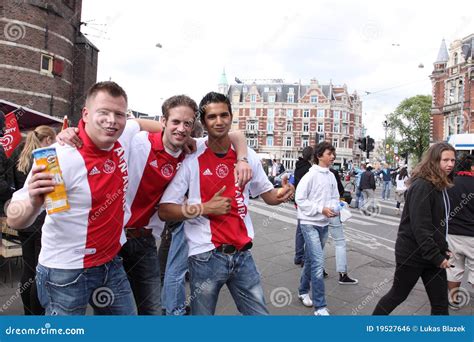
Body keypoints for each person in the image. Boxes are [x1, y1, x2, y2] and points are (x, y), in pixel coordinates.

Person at [57, 95, 251, 315]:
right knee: (108, 311)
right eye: (175, 122)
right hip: (113, 239)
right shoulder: (138, 141)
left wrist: (242, 159)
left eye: (187, 124)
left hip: (145, 240)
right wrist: (72, 131)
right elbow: (111, 127)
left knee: (151, 310)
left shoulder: (191, 149)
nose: (181, 128)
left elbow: (235, 134)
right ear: (163, 121)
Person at [7, 81, 163, 316]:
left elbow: (140, 123)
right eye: (104, 113)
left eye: (119, 114)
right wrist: (32, 202)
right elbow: (14, 219)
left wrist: (183, 137)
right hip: (66, 271)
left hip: (110, 263)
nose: (112, 120)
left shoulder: (122, 136)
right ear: (86, 114)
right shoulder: (59, 157)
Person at [158, 92, 294, 315]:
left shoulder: (247, 155)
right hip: (206, 257)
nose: (219, 121)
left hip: (243, 254)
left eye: (224, 115)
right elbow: (165, 210)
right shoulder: (191, 156)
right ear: (203, 122)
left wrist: (284, 192)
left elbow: (269, 195)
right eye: (212, 117)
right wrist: (204, 208)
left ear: (231, 117)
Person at [373, 142, 456, 315]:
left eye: (453, 160)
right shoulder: (422, 186)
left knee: (440, 304)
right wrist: (437, 256)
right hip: (412, 255)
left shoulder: (439, 185)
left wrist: (443, 249)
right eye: (445, 160)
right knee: (398, 295)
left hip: (432, 255)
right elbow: (421, 227)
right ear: (434, 161)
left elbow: (437, 224)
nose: (450, 164)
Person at [9, 126, 56, 315]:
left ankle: (28, 314)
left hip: (23, 219)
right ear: (47, 139)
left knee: (28, 271)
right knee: (39, 274)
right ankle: (36, 318)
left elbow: (11, 186)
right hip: (39, 220)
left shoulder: (20, 155)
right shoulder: (43, 160)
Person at [295, 141, 340, 316]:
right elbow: (300, 198)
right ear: (319, 156)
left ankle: (302, 290)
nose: (333, 156)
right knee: (318, 262)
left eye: (333, 153)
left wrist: (336, 208)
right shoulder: (310, 175)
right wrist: (320, 209)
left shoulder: (331, 176)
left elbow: (335, 197)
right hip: (309, 223)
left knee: (311, 259)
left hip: (324, 224)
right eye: (330, 153)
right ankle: (320, 306)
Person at [446, 154, 473, 310]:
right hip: (472, 235)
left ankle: (454, 301)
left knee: (454, 269)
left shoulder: (450, 184)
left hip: (453, 234)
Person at [328, 167, 359, 285]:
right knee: (340, 243)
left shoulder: (312, 173)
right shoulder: (332, 173)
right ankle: (342, 274)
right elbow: (340, 191)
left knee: (319, 242)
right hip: (333, 211)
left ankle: (318, 270)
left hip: (320, 213)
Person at [293, 146, 314, 266]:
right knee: (306, 229)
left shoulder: (298, 167)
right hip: (306, 202)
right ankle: (302, 257)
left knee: (300, 229)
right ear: (311, 156)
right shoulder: (308, 169)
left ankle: (298, 255)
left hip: (298, 201)